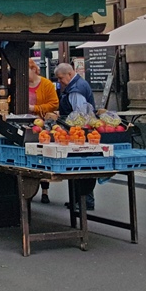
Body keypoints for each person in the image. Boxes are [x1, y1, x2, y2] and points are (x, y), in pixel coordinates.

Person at [54, 62, 97, 210]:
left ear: (69, 74)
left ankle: (86, 201)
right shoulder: (78, 85)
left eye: (61, 78)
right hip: (78, 133)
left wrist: (63, 121)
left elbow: (80, 115)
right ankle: (77, 200)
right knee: (76, 167)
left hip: (79, 134)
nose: (59, 82)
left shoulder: (76, 90)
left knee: (80, 167)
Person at [27, 59, 60, 204]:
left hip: (44, 125)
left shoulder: (46, 84)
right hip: (28, 125)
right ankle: (30, 189)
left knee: (43, 156)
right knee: (31, 157)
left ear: (33, 69)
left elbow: (54, 103)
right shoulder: (21, 85)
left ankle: (45, 191)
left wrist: (35, 108)